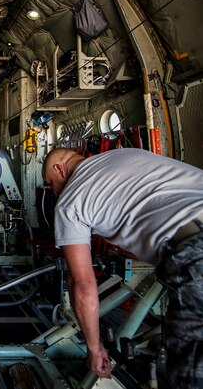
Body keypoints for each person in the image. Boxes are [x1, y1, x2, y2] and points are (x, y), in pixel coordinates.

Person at [42, 147, 203, 387]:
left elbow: (83, 284)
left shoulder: (70, 201)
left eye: (50, 183)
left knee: (192, 375)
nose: (53, 190)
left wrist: (95, 348)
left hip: (195, 253)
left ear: (59, 169)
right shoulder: (125, 153)